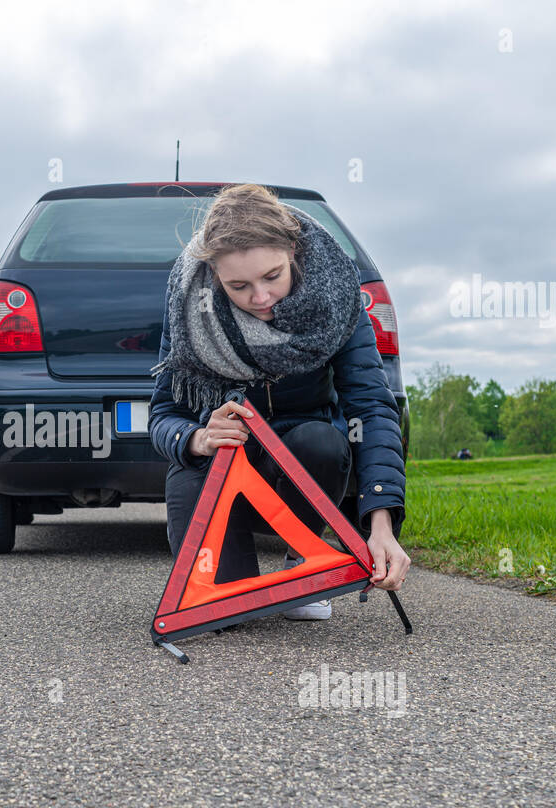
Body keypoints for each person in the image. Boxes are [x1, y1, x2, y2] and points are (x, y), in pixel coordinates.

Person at [148, 184, 410, 621]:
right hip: (219, 467)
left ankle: (303, 564)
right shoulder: (188, 311)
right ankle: (226, 577)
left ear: (292, 249)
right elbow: (162, 416)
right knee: (223, 613)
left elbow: (370, 408)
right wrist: (197, 438)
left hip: (301, 458)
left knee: (322, 441)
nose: (261, 298)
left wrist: (380, 523)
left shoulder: (338, 300)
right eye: (239, 286)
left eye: (272, 276)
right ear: (214, 276)